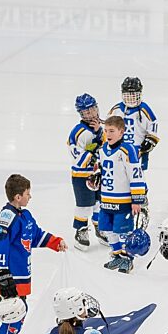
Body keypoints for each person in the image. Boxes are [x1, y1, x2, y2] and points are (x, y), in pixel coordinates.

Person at [0, 174, 66, 334]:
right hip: (9, 280)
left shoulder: (25, 216)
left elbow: (35, 236)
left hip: (21, 279)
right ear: (18, 196)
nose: (31, 196)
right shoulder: (7, 217)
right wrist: (2, 274)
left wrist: (55, 243)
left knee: (17, 319)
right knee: (11, 318)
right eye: (28, 193)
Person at [94, 116, 147, 274]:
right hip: (106, 200)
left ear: (121, 132)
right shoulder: (103, 149)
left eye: (111, 131)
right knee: (107, 229)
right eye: (105, 131)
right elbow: (102, 170)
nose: (108, 134)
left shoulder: (127, 149)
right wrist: (96, 175)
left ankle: (127, 259)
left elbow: (135, 174)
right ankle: (116, 256)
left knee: (123, 231)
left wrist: (137, 199)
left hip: (123, 201)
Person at [108, 76, 159, 226]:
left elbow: (153, 128)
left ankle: (141, 203)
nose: (131, 99)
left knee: (137, 177)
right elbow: (108, 128)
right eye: (128, 95)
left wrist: (148, 143)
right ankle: (123, 204)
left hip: (138, 152)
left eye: (134, 95)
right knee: (122, 177)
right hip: (120, 151)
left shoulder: (145, 110)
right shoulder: (116, 109)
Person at [67, 93, 105, 250]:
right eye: (86, 112)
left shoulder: (100, 129)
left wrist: (99, 136)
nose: (91, 114)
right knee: (84, 206)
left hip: (98, 173)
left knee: (99, 203)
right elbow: (79, 158)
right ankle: (81, 230)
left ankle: (99, 227)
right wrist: (94, 145)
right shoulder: (77, 132)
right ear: (80, 114)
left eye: (92, 110)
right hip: (82, 176)